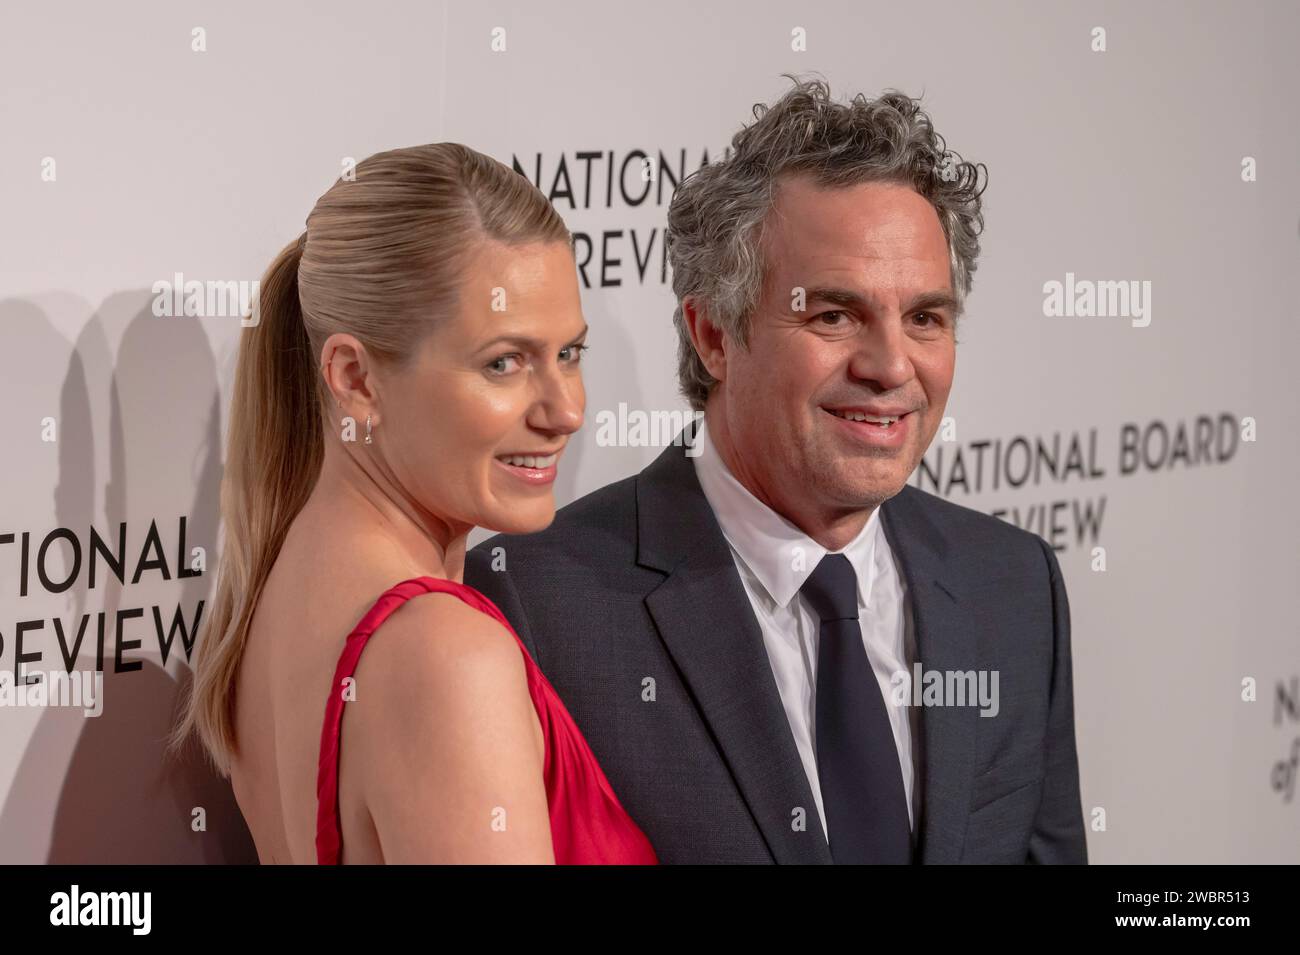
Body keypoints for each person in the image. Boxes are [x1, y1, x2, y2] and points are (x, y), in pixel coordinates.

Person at [466, 77, 1087, 863]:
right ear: (714, 334)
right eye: (834, 314)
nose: (892, 365)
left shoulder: (1014, 584)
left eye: (925, 316)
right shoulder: (537, 608)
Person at [171, 143, 657, 865]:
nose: (568, 410)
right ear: (355, 379)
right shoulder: (446, 658)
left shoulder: (272, 593)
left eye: (569, 354)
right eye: (504, 362)